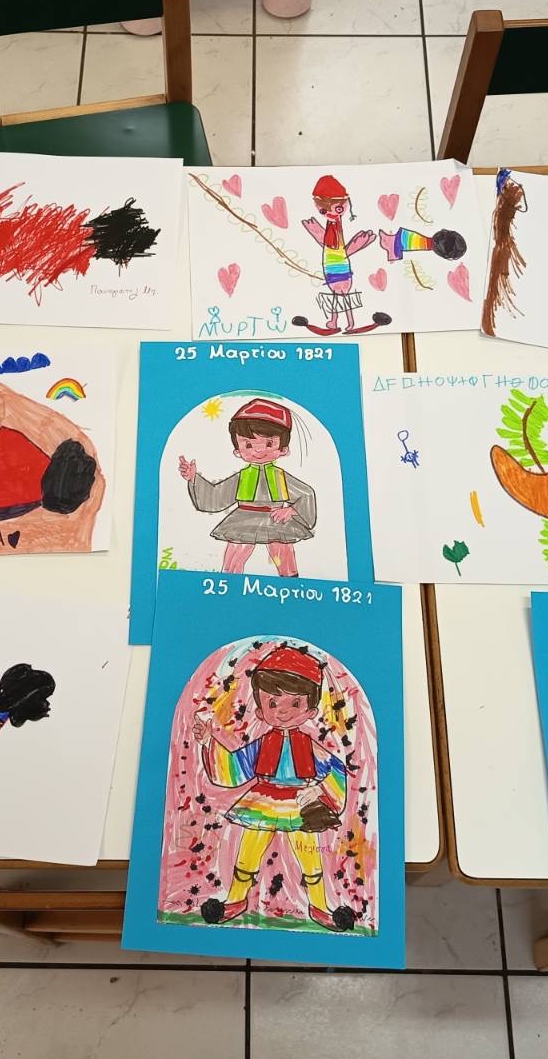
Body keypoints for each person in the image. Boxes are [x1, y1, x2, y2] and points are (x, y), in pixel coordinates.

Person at [192, 645, 354, 931]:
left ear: (310, 711)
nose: (283, 712)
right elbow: (234, 768)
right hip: (262, 801)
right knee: (248, 854)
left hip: (301, 804)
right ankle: (235, 900)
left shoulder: (311, 747)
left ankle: (320, 907)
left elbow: (335, 770)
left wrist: (319, 791)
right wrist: (208, 741)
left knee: (310, 857)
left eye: (295, 704)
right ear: (260, 709)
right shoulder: (262, 745)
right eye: (273, 703)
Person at [177, 398, 316, 576]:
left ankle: (290, 585)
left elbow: (306, 494)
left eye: (269, 444)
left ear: (283, 450)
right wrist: (193, 478)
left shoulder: (281, 477)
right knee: (235, 555)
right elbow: (215, 497)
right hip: (243, 520)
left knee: (283, 553)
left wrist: (291, 510)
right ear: (237, 451)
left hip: (276, 519)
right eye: (248, 444)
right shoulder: (241, 477)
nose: (258, 451)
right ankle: (228, 585)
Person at [299, 175, 377, 335]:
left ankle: (348, 322)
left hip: (339, 269)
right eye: (323, 210)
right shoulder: (332, 228)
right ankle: (338, 321)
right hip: (332, 270)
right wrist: (315, 230)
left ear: (346, 204)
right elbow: (331, 246)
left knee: (343, 296)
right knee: (338, 297)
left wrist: (359, 243)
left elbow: (339, 250)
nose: (330, 213)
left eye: (338, 209)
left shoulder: (335, 229)